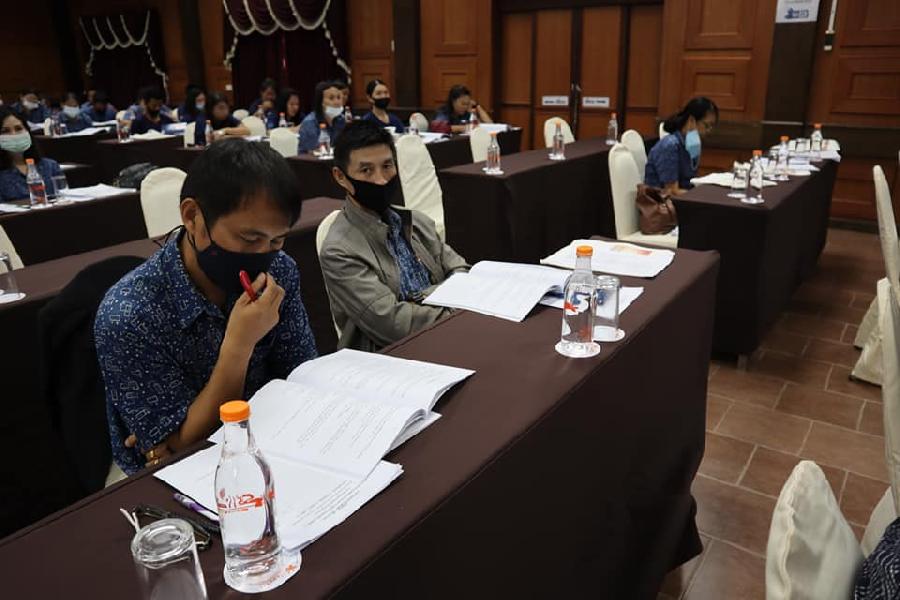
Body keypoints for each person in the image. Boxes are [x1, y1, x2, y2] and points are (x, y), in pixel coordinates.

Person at [95, 138, 318, 475]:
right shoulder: (129, 314)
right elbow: (181, 447)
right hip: (181, 475)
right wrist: (239, 345)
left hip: (272, 442)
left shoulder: (279, 270)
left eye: (276, 239)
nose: (264, 254)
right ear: (192, 216)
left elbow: (301, 376)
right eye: (249, 239)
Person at [319, 121, 469, 352]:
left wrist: (422, 299)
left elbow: (460, 269)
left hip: (446, 336)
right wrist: (456, 306)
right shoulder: (339, 250)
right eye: (366, 170)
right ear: (341, 176)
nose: (381, 180)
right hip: (388, 356)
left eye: (387, 166)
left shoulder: (416, 220)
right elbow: (393, 325)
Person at [644, 96, 718, 195]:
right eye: (706, 125)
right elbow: (671, 191)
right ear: (691, 120)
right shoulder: (670, 145)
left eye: (711, 127)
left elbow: (690, 182)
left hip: (683, 198)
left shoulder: (692, 144)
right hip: (663, 201)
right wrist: (702, 196)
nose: (709, 131)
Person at [0, 106, 62, 201]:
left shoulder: (50, 166)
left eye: (18, 128)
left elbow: (64, 200)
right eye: (5, 131)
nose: (14, 135)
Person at [298, 80, 346, 153]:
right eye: (331, 98)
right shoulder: (310, 123)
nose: (337, 102)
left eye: (339, 97)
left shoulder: (341, 120)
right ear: (320, 102)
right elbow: (315, 151)